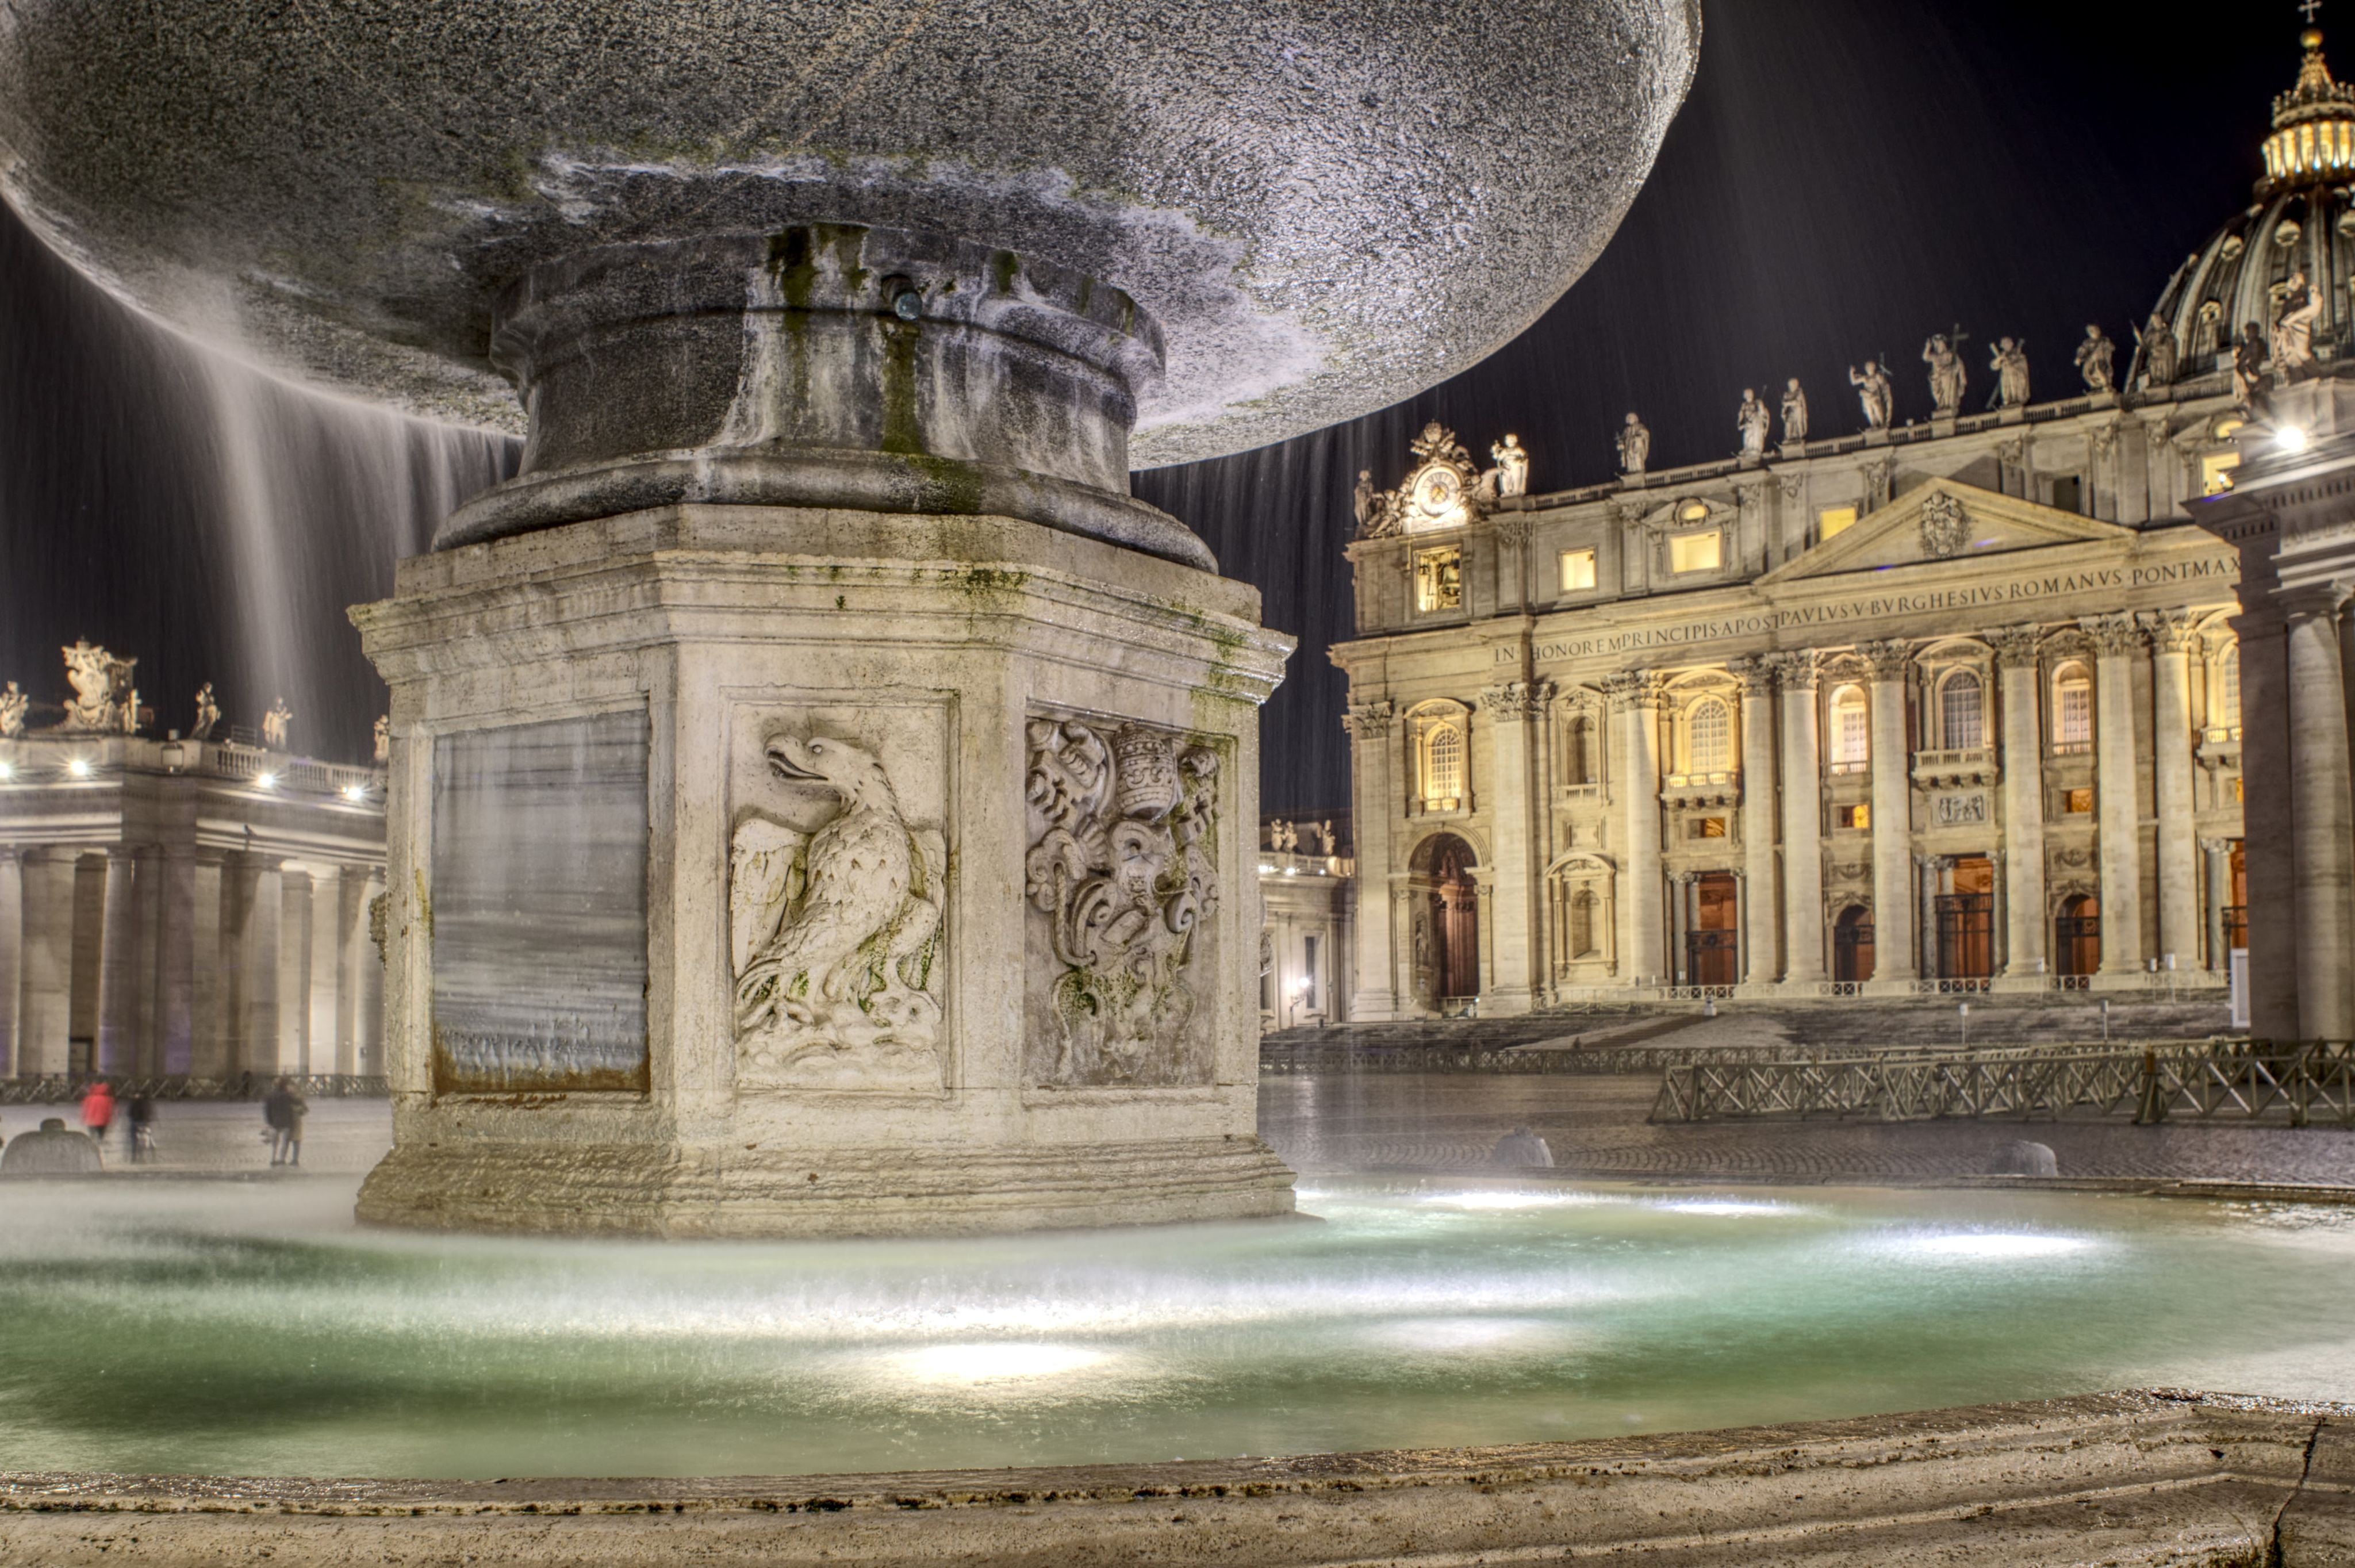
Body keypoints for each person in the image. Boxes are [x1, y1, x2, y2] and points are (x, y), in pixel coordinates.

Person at [263, 1077, 308, 1167]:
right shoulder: (287, 1095)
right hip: (287, 1122)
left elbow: (267, 1110)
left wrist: (269, 1122)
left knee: (276, 1143)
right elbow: (299, 1102)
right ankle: (283, 1159)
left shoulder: (270, 1096)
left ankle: (274, 1159)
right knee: (285, 1142)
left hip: (276, 1123)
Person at [79, 1078, 116, 1152]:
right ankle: (100, 1151)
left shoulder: (89, 1098)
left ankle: (93, 1151)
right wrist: (111, 1121)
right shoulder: (108, 1099)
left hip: (91, 1122)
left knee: (93, 1138)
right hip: (103, 1122)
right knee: (101, 1138)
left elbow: (85, 1110)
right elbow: (110, 1111)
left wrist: (83, 1119)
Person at [127, 1092, 156, 1163]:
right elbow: (150, 1113)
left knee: (134, 1141)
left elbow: (130, 1113)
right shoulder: (148, 1103)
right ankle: (151, 1157)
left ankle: (134, 1158)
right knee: (147, 1139)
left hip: (135, 1123)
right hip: (146, 1124)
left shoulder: (134, 1103)